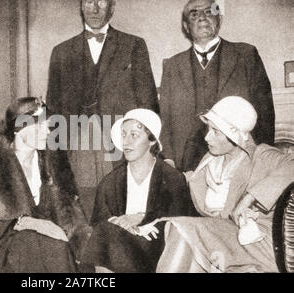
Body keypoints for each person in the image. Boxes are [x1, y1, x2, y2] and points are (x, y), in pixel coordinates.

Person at [46, 0, 158, 221]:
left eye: (101, 2)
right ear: (81, 6)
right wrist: (56, 159)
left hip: (120, 143)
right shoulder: (61, 51)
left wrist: (148, 149)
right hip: (77, 146)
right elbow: (53, 110)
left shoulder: (133, 46)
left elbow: (148, 104)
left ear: (112, 8)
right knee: (83, 211)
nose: (95, 8)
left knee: (119, 208)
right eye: (89, 1)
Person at [155, 96, 294, 273]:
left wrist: (249, 198)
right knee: (189, 255)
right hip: (222, 236)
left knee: (181, 228)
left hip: (256, 242)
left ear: (234, 135)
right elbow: (182, 186)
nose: (207, 137)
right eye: (208, 129)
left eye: (215, 131)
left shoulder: (262, 156)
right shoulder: (209, 161)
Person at [0, 97, 90, 273]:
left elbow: (72, 216)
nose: (47, 132)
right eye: (39, 126)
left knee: (55, 246)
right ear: (20, 128)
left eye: (48, 126)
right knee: (36, 242)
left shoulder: (52, 164)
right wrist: (28, 223)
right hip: (6, 247)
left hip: (54, 244)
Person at [159, 0, 275, 172]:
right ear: (186, 26)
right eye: (194, 14)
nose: (202, 17)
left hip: (238, 161)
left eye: (208, 12)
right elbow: (164, 117)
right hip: (187, 165)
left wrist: (261, 161)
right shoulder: (173, 65)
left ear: (219, 19)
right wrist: (168, 159)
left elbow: (265, 113)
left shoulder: (246, 55)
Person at [81, 109, 196, 273]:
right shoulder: (111, 181)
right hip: (119, 245)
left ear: (151, 141)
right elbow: (99, 220)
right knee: (104, 233)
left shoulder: (172, 178)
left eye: (134, 135)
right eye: (124, 134)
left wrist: (142, 219)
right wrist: (118, 223)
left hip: (157, 250)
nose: (126, 142)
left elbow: (182, 222)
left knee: (106, 238)